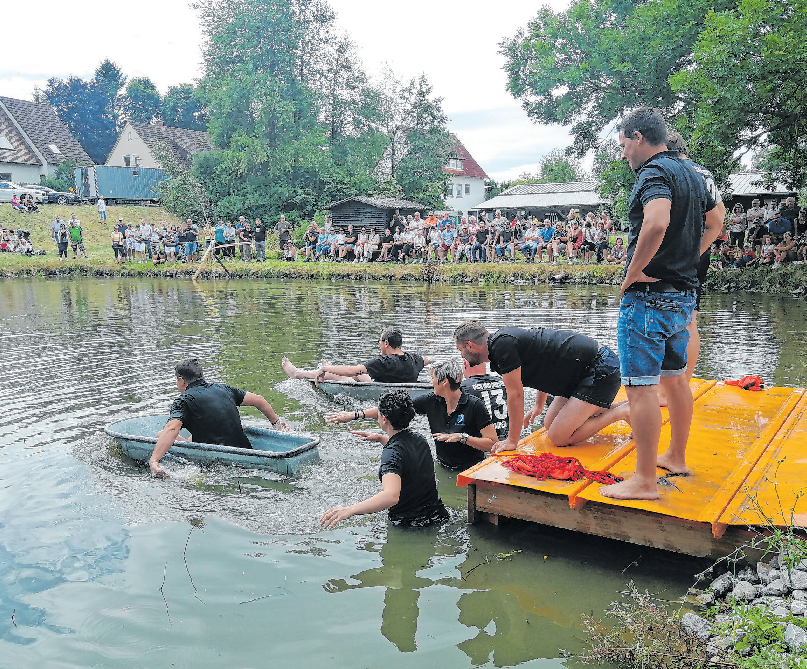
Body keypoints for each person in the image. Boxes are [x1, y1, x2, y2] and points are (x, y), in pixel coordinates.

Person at [607, 108, 723, 501]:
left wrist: (632, 273)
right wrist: (690, 258)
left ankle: (643, 480)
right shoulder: (692, 172)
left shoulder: (654, 172)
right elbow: (715, 222)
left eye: (623, 145)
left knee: (640, 389)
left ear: (638, 137)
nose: (623, 154)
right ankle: (675, 456)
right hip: (683, 294)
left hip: (649, 298)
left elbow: (655, 222)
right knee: (676, 380)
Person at [454, 321, 626, 455]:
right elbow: (543, 365)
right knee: (549, 424)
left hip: (600, 368)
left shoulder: (501, 346)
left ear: (470, 345)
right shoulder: (500, 345)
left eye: (460, 349)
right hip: (578, 375)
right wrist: (539, 405)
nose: (461, 355)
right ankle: (616, 406)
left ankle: (621, 412)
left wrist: (512, 440)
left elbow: (516, 395)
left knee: (558, 436)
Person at [326, 360, 497, 471]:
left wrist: (462, 438)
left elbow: (492, 444)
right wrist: (355, 415)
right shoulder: (431, 401)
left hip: (473, 469)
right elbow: (394, 407)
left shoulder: (475, 406)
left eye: (433, 378)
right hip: (443, 467)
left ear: (444, 382)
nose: (430, 382)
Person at [320, 390, 449, 528]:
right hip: (438, 516)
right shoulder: (420, 439)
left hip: (410, 526)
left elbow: (391, 496)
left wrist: (350, 510)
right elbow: (406, 455)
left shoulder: (391, 452)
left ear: (384, 419)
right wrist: (382, 439)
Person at [148, 358, 287, 477]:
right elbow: (259, 400)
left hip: (219, 464)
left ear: (181, 380)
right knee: (185, 433)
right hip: (245, 451)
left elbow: (172, 428)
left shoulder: (183, 400)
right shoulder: (224, 389)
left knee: (162, 434)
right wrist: (276, 423)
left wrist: (154, 460)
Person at [282, 326, 428, 384]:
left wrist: (327, 369)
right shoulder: (415, 359)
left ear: (386, 343)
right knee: (357, 374)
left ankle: (298, 373)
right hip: (390, 384)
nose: (379, 344)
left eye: (379, 341)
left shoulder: (383, 361)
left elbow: (350, 370)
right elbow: (428, 361)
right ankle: (330, 367)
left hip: (382, 389)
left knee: (341, 375)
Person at [461, 359, 509, 441]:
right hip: (506, 437)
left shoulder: (463, 387)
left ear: (465, 364)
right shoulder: (503, 382)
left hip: (482, 442)